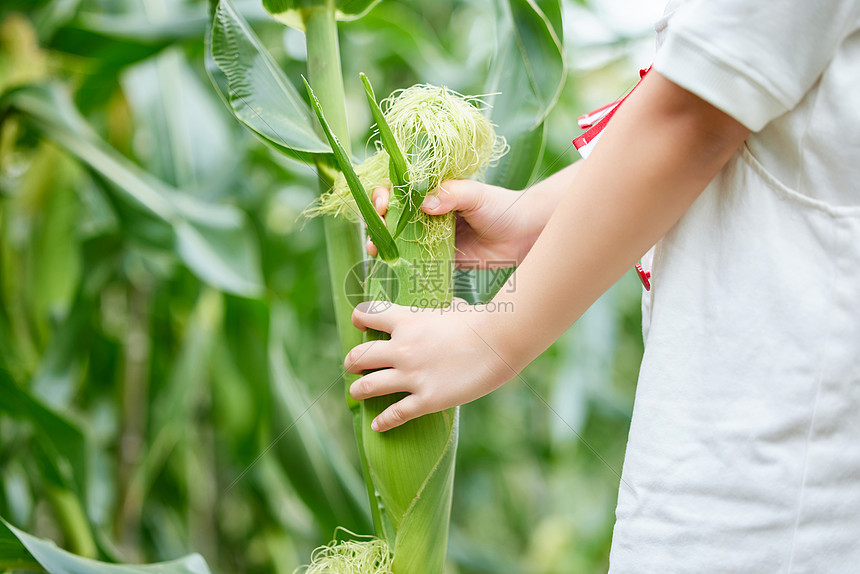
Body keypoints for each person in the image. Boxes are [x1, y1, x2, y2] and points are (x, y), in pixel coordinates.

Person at [344, 0, 860, 570]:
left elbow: (696, 115)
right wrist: (529, 220)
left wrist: (490, 340)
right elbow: (738, 114)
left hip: (774, 468)